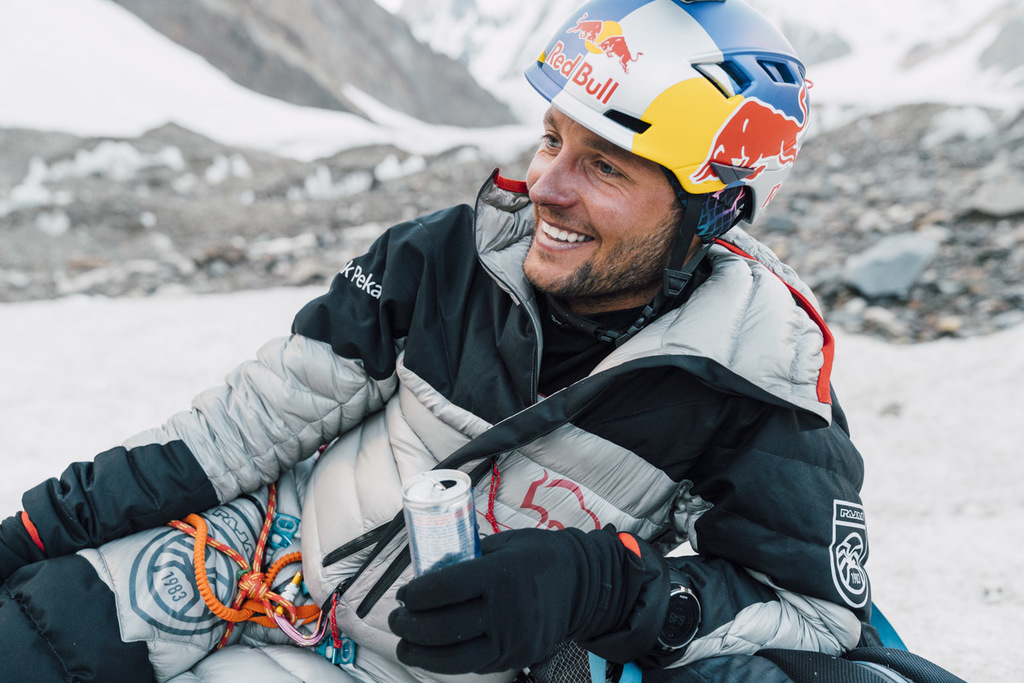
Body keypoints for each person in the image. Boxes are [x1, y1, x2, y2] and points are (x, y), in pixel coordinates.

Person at [0, 1, 877, 681]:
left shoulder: (762, 380)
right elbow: (238, 428)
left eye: (604, 164)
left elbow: (817, 615)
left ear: (710, 205)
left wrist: (606, 582)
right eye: (550, 138)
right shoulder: (445, 256)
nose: (544, 186)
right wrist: (39, 523)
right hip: (241, 550)